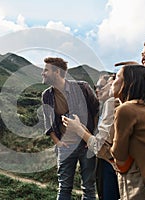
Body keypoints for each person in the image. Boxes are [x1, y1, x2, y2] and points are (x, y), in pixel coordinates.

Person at [63, 65, 145, 199]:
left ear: (128, 83)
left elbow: (115, 155)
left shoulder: (123, 108)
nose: (112, 82)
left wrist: (79, 130)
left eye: (116, 78)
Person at [41, 57, 99, 200]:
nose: (42, 73)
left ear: (57, 72)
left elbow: (97, 111)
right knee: (64, 188)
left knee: (89, 189)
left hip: (87, 146)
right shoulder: (46, 96)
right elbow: (48, 124)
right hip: (65, 147)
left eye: (46, 70)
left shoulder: (82, 87)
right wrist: (58, 143)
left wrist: (92, 138)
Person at [92, 74, 120, 200]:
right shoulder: (103, 106)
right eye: (96, 86)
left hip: (111, 162)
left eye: (101, 86)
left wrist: (79, 130)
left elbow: (102, 142)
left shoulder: (112, 104)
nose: (97, 89)